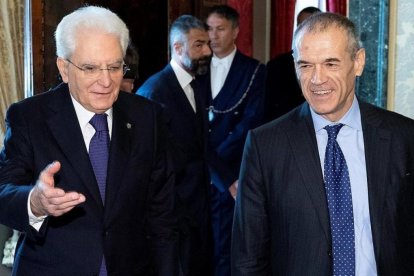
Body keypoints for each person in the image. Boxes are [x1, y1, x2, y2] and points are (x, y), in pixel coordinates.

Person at [232, 12, 414, 275]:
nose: (317, 79)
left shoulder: (403, 137)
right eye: (306, 65)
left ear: (358, 62)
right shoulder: (265, 146)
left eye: (331, 64)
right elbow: (248, 259)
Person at [0, 6, 177, 275]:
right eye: (91, 68)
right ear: (64, 68)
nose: (105, 81)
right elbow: (4, 192)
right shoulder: (29, 117)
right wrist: (35, 203)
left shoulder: (148, 117)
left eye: (115, 66)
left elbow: (162, 217)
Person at [137, 15, 212, 276]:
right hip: (171, 219)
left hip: (197, 214)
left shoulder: (197, 84)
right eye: (199, 45)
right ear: (178, 48)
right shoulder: (154, 92)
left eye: (208, 44)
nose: (208, 52)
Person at [201, 5, 265, 276]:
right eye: (209, 29)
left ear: (236, 31)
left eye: (220, 29)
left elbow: (250, 123)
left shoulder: (254, 70)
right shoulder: (197, 67)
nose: (213, 36)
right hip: (199, 173)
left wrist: (224, 173)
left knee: (227, 247)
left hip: (234, 175)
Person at [264, 6, 321, 122]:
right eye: (301, 26)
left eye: (311, 27)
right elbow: (267, 109)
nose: (305, 32)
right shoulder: (276, 65)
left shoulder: (333, 64)